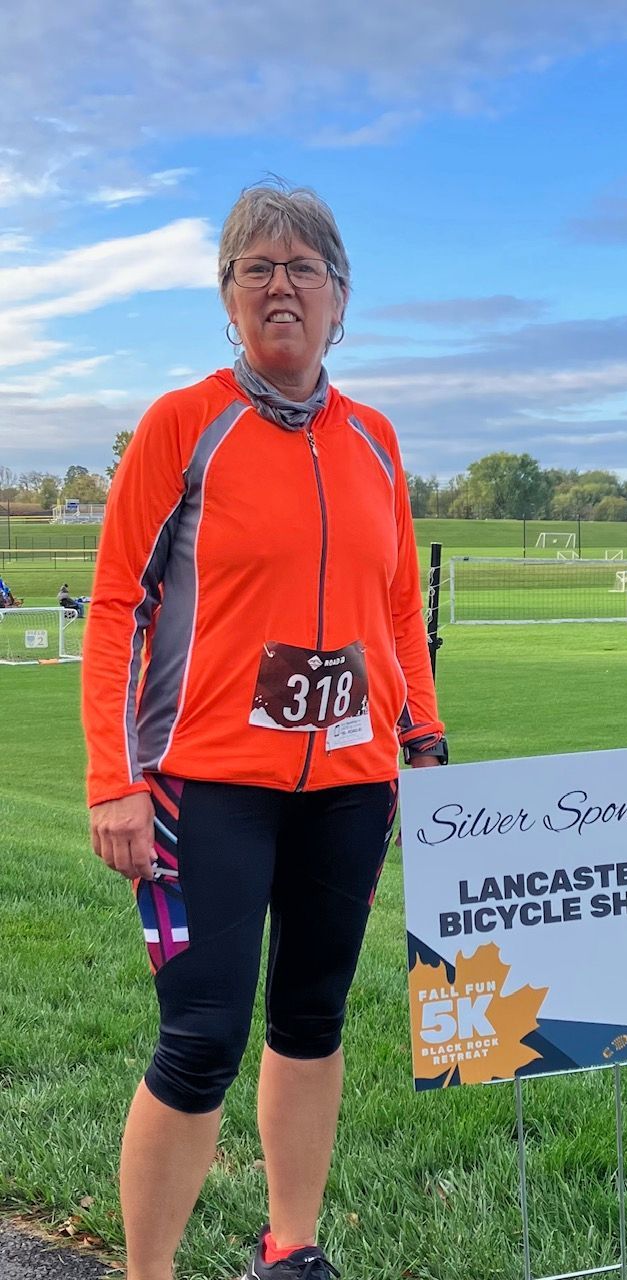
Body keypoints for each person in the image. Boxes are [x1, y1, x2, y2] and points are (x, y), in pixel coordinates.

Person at [82, 182, 447, 1280]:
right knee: (200, 1039)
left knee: (313, 1016)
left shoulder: (375, 438)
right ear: (228, 299)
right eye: (256, 268)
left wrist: (421, 739)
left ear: (341, 299)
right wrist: (115, 775)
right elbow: (116, 607)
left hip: (348, 782)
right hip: (206, 784)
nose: (280, 285)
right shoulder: (185, 425)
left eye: (304, 268)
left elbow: (394, 604)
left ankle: (291, 1246)